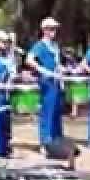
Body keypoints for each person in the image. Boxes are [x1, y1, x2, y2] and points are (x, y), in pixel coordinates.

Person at [27, 17, 65, 149]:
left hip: (56, 81)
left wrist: (61, 69)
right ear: (44, 30)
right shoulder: (40, 45)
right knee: (47, 112)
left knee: (56, 112)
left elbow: (57, 63)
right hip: (46, 82)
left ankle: (57, 140)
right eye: (51, 28)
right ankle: (45, 143)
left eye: (55, 28)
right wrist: (42, 70)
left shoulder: (55, 45)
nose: (54, 31)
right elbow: (29, 60)